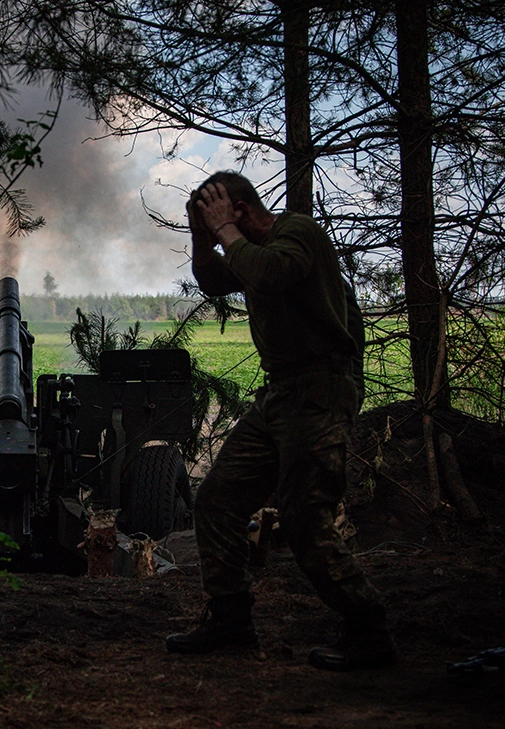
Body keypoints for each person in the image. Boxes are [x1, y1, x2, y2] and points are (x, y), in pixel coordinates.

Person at [165, 171, 396, 671]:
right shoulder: (248, 250)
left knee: (303, 517)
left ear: (242, 211)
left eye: (219, 217)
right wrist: (202, 237)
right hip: (280, 395)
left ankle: (368, 627)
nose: (218, 230)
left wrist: (225, 230)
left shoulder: (298, 234)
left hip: (319, 391)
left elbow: (269, 273)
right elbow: (213, 281)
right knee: (218, 500)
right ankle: (230, 620)